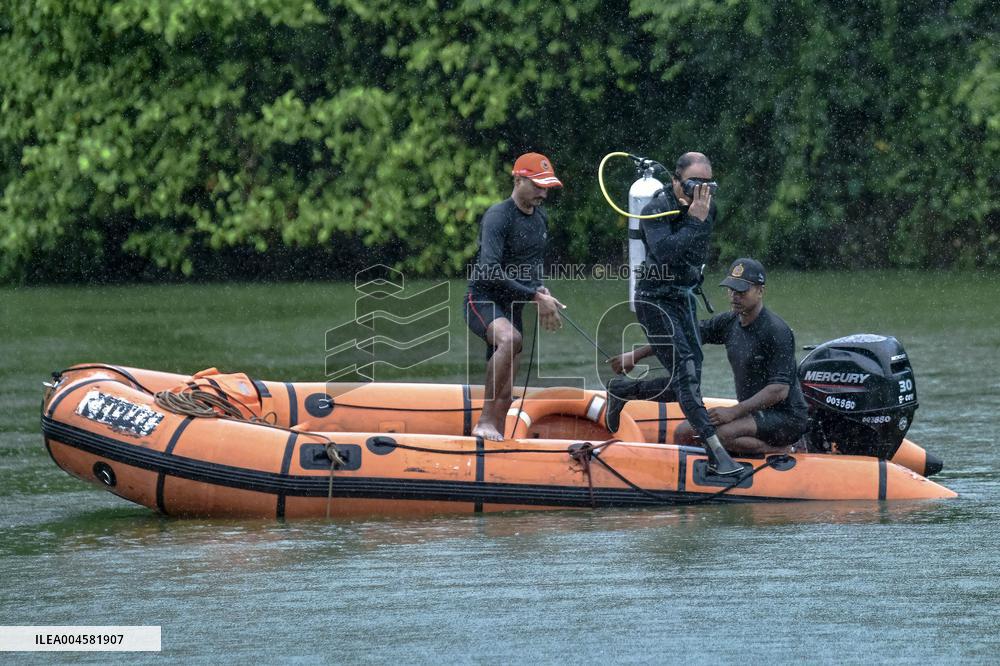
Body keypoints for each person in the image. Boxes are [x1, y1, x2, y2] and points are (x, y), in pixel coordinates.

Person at [604, 152, 743, 476]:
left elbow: (693, 253)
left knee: (683, 381)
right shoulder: (656, 209)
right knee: (686, 375)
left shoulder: (707, 208)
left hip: (682, 299)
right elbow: (665, 254)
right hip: (653, 299)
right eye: (696, 183)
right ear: (676, 181)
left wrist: (697, 218)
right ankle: (717, 454)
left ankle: (622, 391)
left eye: (709, 183)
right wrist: (693, 219)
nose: (703, 190)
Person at [612, 258, 809, 455]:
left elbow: (779, 390)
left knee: (718, 436)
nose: (734, 296)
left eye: (742, 291)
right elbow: (684, 336)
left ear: (760, 291)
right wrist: (636, 355)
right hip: (751, 413)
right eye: (731, 289)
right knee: (684, 432)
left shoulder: (776, 331)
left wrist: (733, 411)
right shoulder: (729, 322)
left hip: (785, 417)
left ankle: (784, 449)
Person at [465, 152, 565, 441]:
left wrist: (542, 290)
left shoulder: (540, 219)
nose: (543, 193)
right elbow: (489, 270)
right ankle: (484, 422)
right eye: (537, 185)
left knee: (508, 391)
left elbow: (531, 267)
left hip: (512, 306)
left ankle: (494, 438)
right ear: (518, 179)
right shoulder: (498, 216)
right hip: (482, 299)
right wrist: (534, 295)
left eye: (547, 187)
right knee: (511, 339)